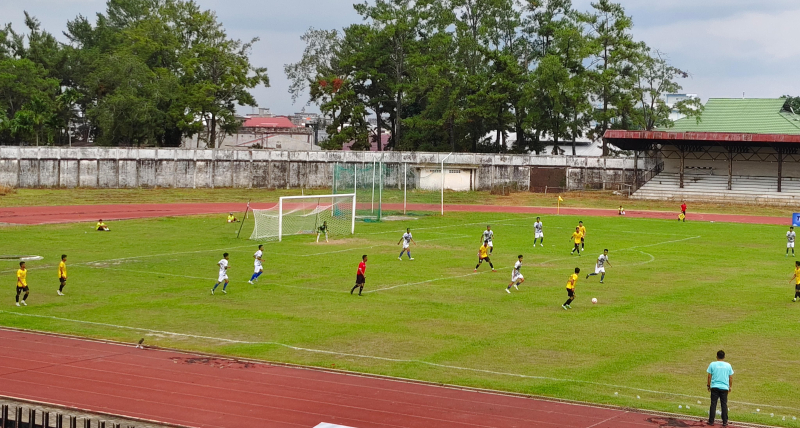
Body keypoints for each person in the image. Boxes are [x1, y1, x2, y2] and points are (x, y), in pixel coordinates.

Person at [707, 350, 733, 427]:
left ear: (716, 356)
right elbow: (730, 377)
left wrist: (708, 385)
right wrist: (730, 386)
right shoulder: (728, 365)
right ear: (724, 357)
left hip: (714, 387)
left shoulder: (712, 364)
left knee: (713, 404)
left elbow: (709, 376)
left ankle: (711, 421)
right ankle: (725, 421)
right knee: (724, 405)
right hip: (724, 388)